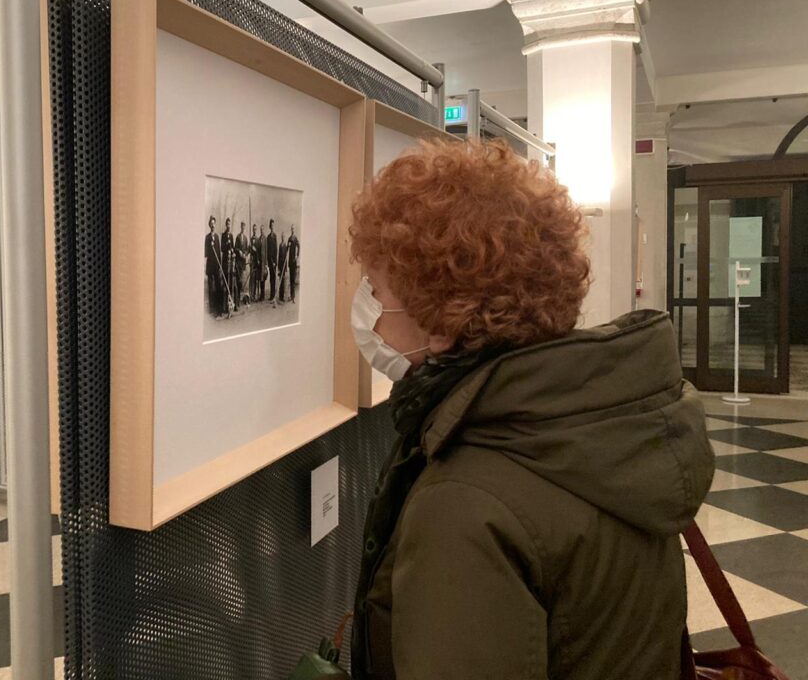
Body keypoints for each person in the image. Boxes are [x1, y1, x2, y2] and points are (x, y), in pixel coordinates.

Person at [347, 139, 714, 680]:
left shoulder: (467, 500)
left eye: (376, 290)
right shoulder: (609, 426)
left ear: (442, 318)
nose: (365, 308)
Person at [203, 215, 221, 317]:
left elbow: (219, 252)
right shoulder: (207, 238)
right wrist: (210, 245)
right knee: (211, 287)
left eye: (214, 223)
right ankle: (211, 307)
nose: (213, 225)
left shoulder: (217, 237)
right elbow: (205, 254)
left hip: (217, 265)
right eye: (211, 224)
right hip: (210, 265)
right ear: (209, 225)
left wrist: (220, 266)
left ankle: (218, 307)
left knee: (218, 286)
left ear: (215, 224)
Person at [220, 217, 235, 314]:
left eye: (230, 224)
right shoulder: (223, 235)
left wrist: (233, 251)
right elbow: (222, 248)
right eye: (227, 224)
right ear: (226, 225)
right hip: (225, 263)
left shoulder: (232, 235)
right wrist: (226, 243)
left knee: (230, 283)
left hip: (231, 263)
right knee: (225, 284)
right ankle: (224, 306)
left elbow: (232, 247)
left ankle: (230, 305)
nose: (229, 226)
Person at [236, 221, 249, 306]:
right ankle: (237, 298)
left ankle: (243, 297)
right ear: (240, 227)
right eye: (242, 227)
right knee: (239, 280)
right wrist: (239, 251)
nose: (243, 228)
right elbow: (235, 248)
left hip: (243, 262)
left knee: (243, 279)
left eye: (244, 227)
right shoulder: (237, 237)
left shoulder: (246, 238)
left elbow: (247, 249)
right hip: (238, 262)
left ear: (245, 228)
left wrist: (245, 254)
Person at [266, 219, 278, 302]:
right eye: (271, 225)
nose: (272, 227)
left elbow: (276, 250)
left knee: (274, 277)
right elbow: (267, 250)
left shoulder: (275, 236)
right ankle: (271, 295)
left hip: (274, 261)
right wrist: (268, 261)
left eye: (273, 225)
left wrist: (274, 262)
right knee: (271, 278)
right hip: (270, 261)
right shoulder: (268, 237)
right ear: (270, 226)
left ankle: (274, 296)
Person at [287, 224, 299, 302]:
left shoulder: (295, 238)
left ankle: (293, 297)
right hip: (290, 262)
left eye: (293, 229)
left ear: (294, 230)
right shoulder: (289, 238)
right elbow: (287, 249)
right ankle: (291, 296)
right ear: (290, 230)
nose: (292, 230)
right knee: (291, 280)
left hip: (294, 262)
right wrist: (288, 246)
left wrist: (297, 256)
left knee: (293, 280)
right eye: (291, 229)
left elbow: (299, 246)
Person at [250, 223, 262, 302]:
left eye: (255, 229)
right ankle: (252, 295)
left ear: (256, 230)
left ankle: (257, 295)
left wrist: (258, 259)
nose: (254, 230)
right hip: (252, 262)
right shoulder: (251, 239)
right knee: (252, 279)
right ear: (252, 230)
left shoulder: (258, 240)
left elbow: (260, 251)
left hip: (257, 262)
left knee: (257, 279)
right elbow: (250, 250)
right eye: (253, 229)